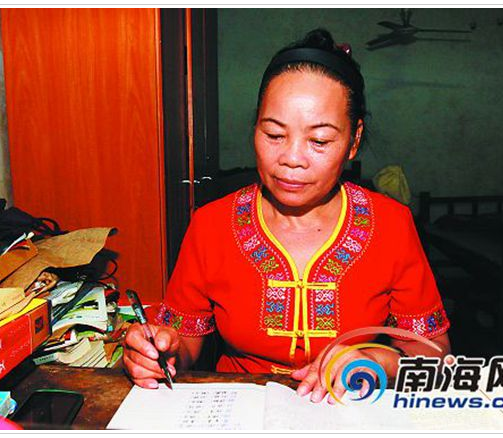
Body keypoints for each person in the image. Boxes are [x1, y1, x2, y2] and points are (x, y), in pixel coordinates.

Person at [123, 28, 451, 403]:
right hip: (240, 409)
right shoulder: (211, 225)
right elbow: (185, 343)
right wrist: (160, 353)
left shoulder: (391, 224)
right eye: (274, 135)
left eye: (320, 140)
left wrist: (375, 359)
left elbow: (435, 355)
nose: (291, 159)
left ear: (354, 140)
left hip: (347, 409)